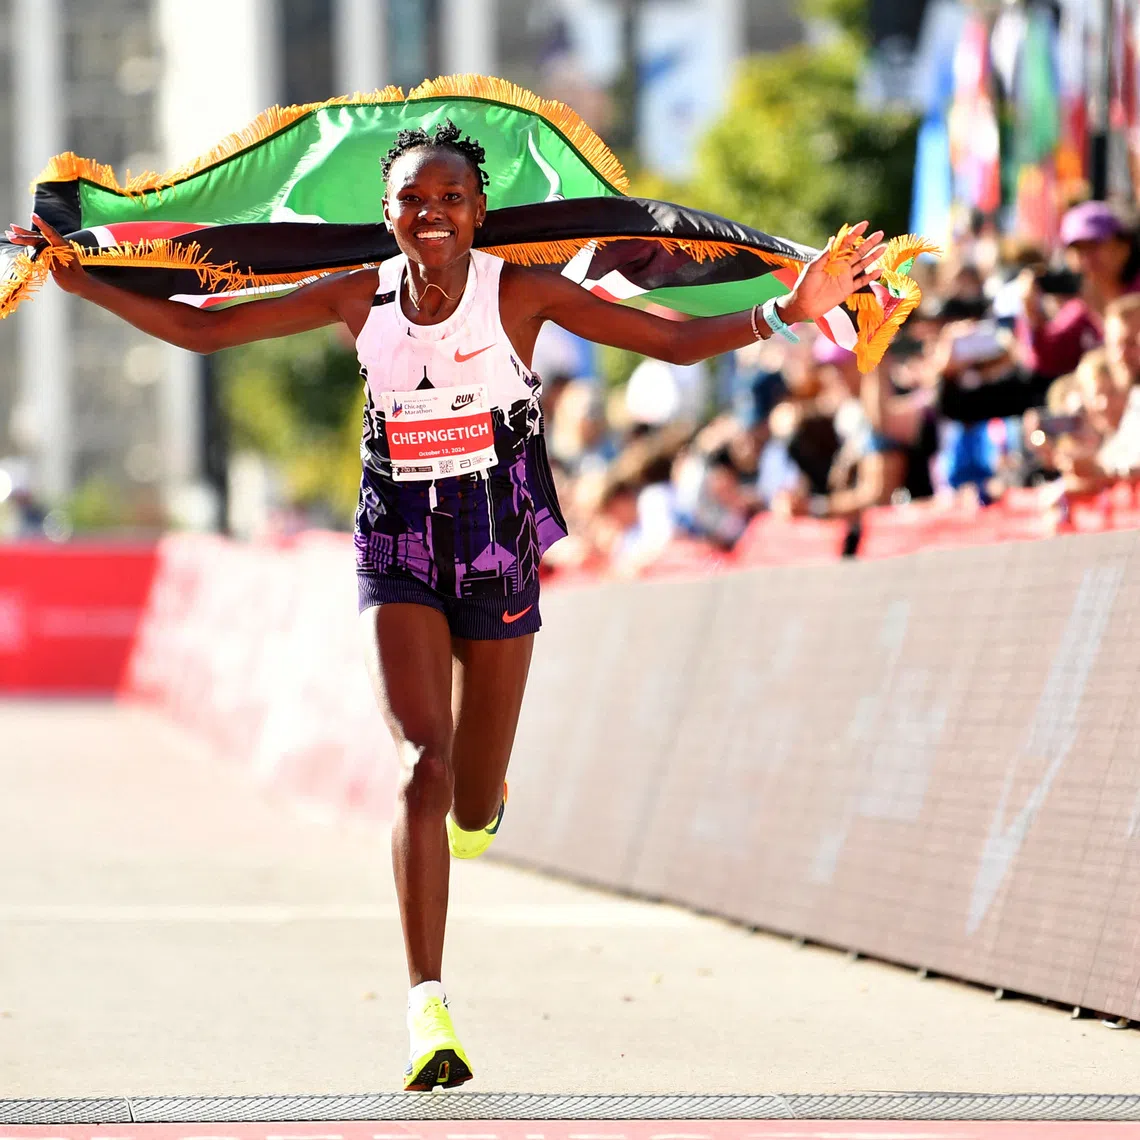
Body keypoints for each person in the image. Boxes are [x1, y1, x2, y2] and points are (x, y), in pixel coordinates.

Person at [7, 119, 886, 1091]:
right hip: (398, 529)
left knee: (470, 800)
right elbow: (209, 329)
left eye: (452, 200)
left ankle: (483, 800)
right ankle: (427, 1008)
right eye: (414, 201)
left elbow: (666, 342)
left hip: (497, 524)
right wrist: (81, 279)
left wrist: (787, 313)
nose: (432, 215)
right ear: (386, 215)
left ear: (479, 215)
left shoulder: (522, 292)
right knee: (422, 765)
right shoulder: (358, 293)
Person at [1017, 200, 1140, 381]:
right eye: (1077, 250)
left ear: (1123, 247)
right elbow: (1048, 358)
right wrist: (1031, 315)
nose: (1086, 258)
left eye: (1094, 245)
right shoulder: (1080, 307)